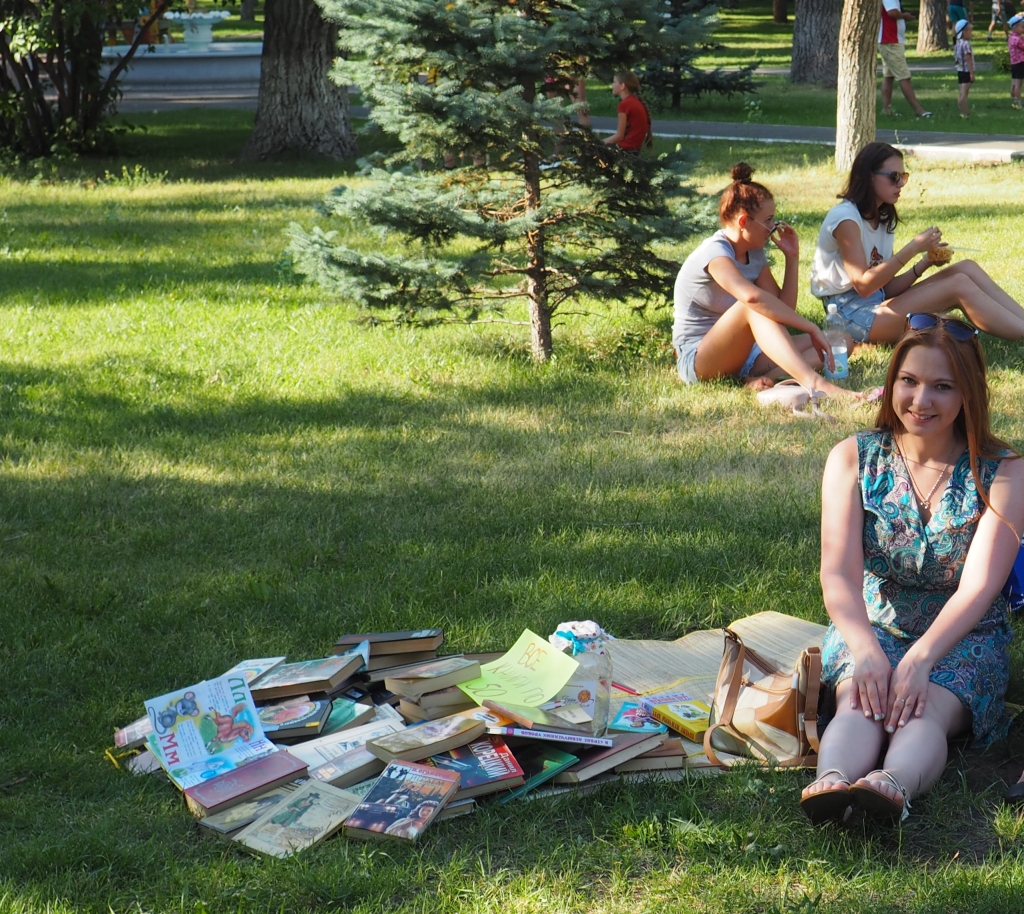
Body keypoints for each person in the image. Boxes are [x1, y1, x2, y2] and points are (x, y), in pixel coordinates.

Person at [800, 314, 1024, 825]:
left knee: (925, 712)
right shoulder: (853, 457)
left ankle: (890, 787)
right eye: (909, 381)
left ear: (969, 393)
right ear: (892, 382)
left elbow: (979, 587)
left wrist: (921, 660)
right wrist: (866, 652)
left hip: (964, 637)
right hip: (873, 626)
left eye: (943, 386)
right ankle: (831, 781)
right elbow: (837, 574)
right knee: (859, 703)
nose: (921, 400)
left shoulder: (1005, 472)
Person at [810, 142, 1024, 345]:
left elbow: (885, 288)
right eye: (894, 177)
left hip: (876, 306)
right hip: (849, 317)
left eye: (903, 176)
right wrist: (913, 248)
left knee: (966, 268)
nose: (901, 184)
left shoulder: (882, 216)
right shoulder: (846, 219)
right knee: (959, 284)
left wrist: (924, 263)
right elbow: (864, 286)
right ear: (869, 177)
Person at [673, 163, 854, 400]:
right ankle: (815, 383)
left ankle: (769, 378)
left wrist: (792, 258)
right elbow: (752, 299)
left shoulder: (754, 253)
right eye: (768, 220)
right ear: (743, 222)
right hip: (699, 360)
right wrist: (810, 327)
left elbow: (782, 309)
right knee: (751, 306)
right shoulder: (715, 253)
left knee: (841, 342)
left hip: (746, 354)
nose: (773, 227)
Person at [879, 0, 932, 117]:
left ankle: (887, 110)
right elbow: (892, 12)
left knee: (889, 76)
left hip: (890, 40)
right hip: (891, 40)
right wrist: (904, 16)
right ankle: (919, 110)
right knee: (904, 76)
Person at [603, 71, 652, 153]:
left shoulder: (624, 105)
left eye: (614, 82)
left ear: (622, 86)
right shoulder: (635, 101)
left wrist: (598, 143)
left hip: (626, 149)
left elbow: (619, 136)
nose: (612, 85)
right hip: (634, 149)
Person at [953, 19, 976, 117]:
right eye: (970, 31)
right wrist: (972, 73)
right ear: (964, 32)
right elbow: (968, 58)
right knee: (964, 93)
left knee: (961, 91)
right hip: (966, 71)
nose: (971, 33)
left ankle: (961, 109)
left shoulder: (957, 44)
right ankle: (964, 112)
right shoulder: (966, 44)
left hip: (960, 70)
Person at [1009, 13, 1024, 108]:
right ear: (1015, 27)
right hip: (1020, 63)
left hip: (1014, 63)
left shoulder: (1011, 38)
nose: (1023, 29)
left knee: (1014, 82)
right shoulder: (1017, 39)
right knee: (1019, 83)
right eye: (1022, 27)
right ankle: (1018, 102)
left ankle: (1014, 100)